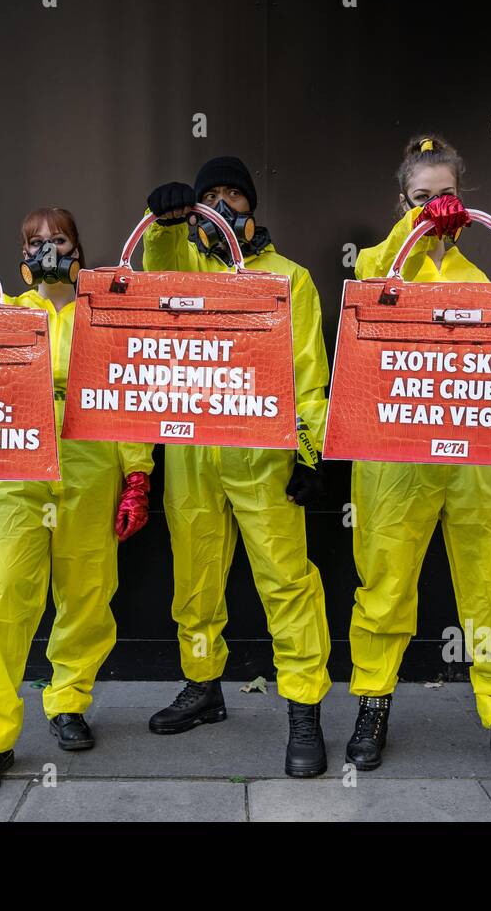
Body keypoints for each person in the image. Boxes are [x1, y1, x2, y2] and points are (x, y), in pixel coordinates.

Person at [0, 210, 153, 796]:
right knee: (2, 597)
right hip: (16, 463)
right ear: (22, 253)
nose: (48, 248)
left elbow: (128, 389)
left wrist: (137, 472)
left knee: (88, 591)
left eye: (59, 239)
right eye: (35, 241)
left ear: (78, 247)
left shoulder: (104, 312)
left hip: (88, 460)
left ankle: (67, 702)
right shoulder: (9, 311)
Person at [345, 134, 491, 780]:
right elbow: (370, 278)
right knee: (385, 585)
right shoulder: (382, 268)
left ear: (466, 202)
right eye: (422, 197)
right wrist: (414, 229)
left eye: (447, 196)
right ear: (402, 201)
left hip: (475, 462)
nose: (437, 208)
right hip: (394, 459)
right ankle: (372, 702)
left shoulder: (485, 284)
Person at [141, 156, 333, 778]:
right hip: (192, 447)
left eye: (235, 195)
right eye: (210, 196)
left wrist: (309, 453)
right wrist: (165, 221)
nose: (224, 206)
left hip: (262, 451)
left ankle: (303, 706)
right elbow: (154, 269)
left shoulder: (289, 278)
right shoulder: (181, 265)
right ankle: (203, 686)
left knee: (285, 579)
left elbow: (310, 373)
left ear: (253, 207)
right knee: (196, 577)